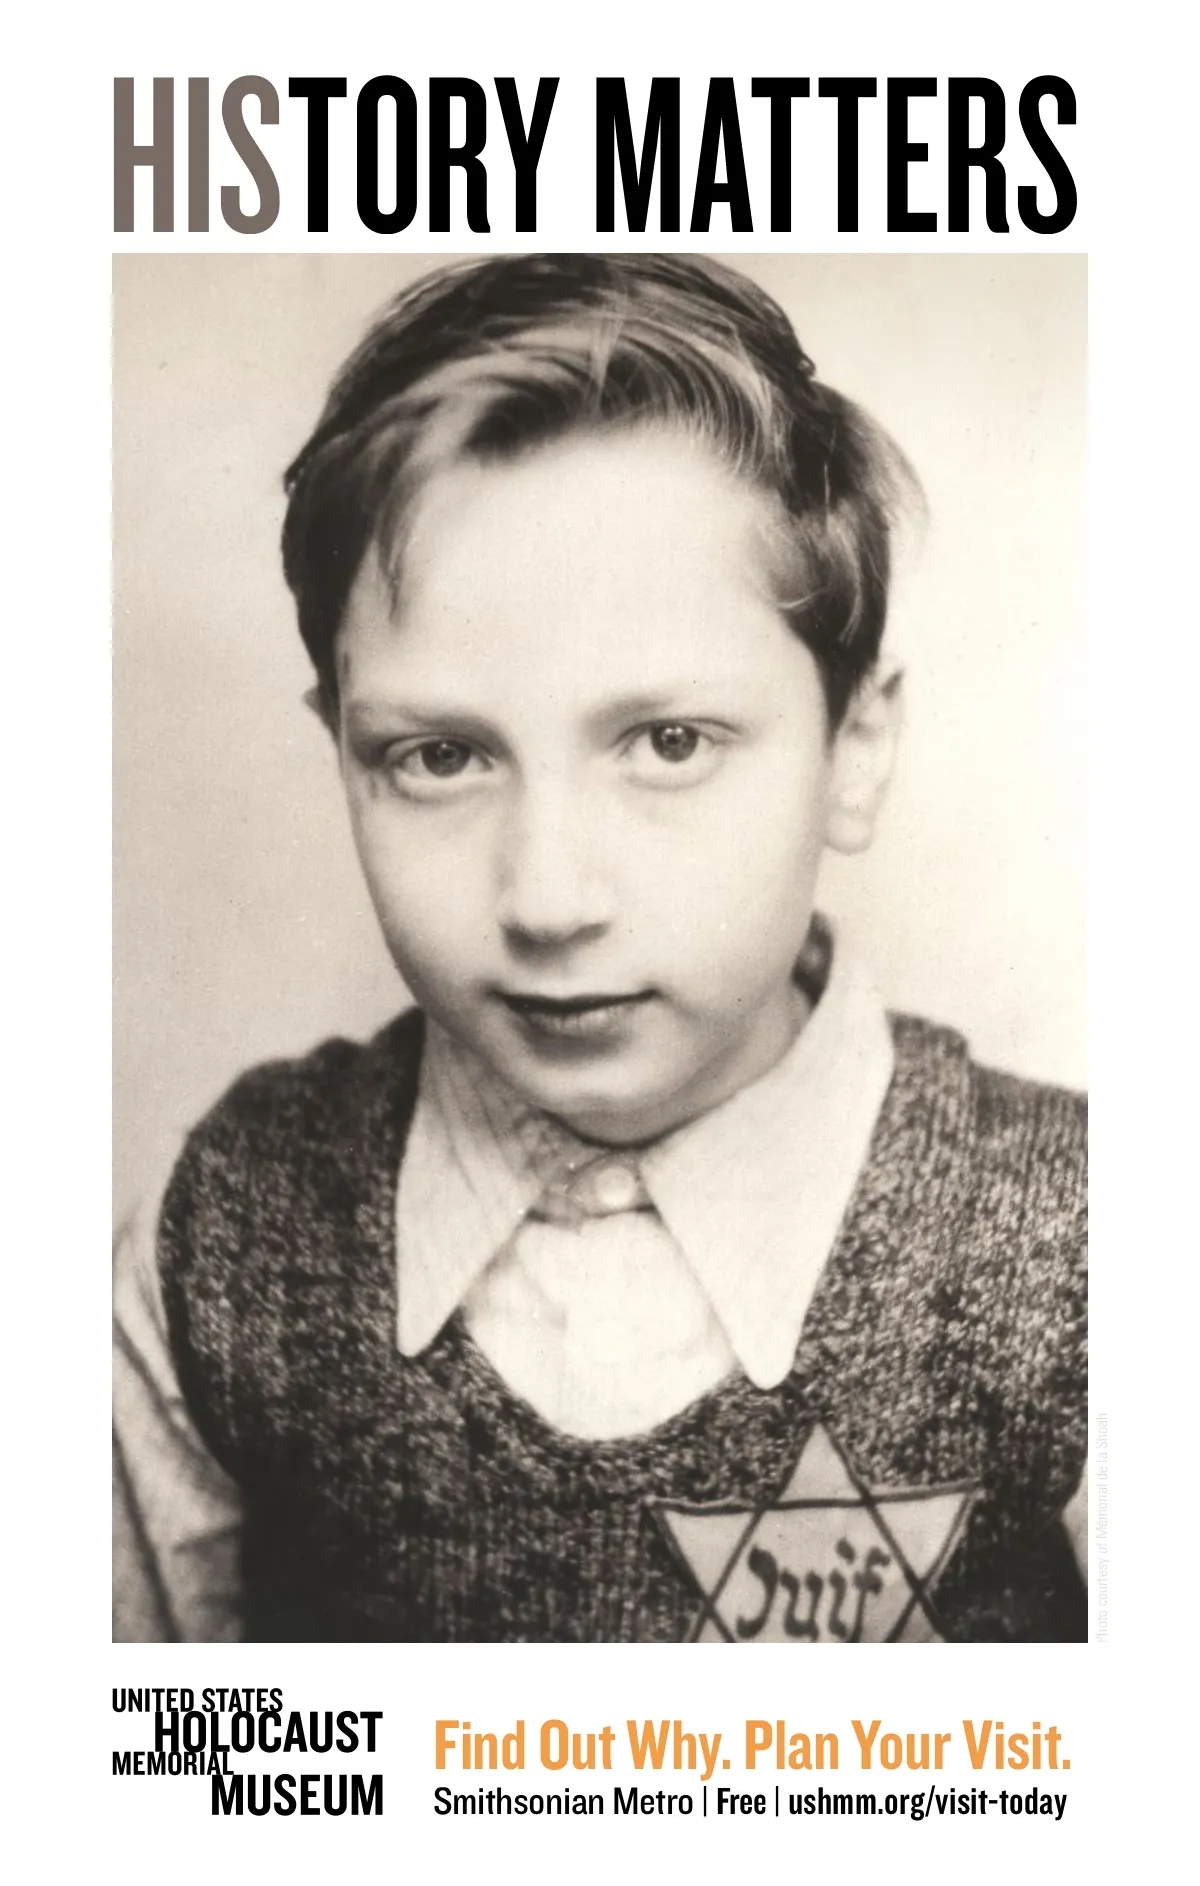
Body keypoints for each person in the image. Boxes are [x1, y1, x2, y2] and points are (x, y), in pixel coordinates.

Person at [113, 252, 1086, 1644]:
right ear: (342, 748)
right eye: (440, 756)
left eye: (669, 742)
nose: (549, 897)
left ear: (855, 747)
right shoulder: (225, 1239)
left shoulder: (1083, 1248)